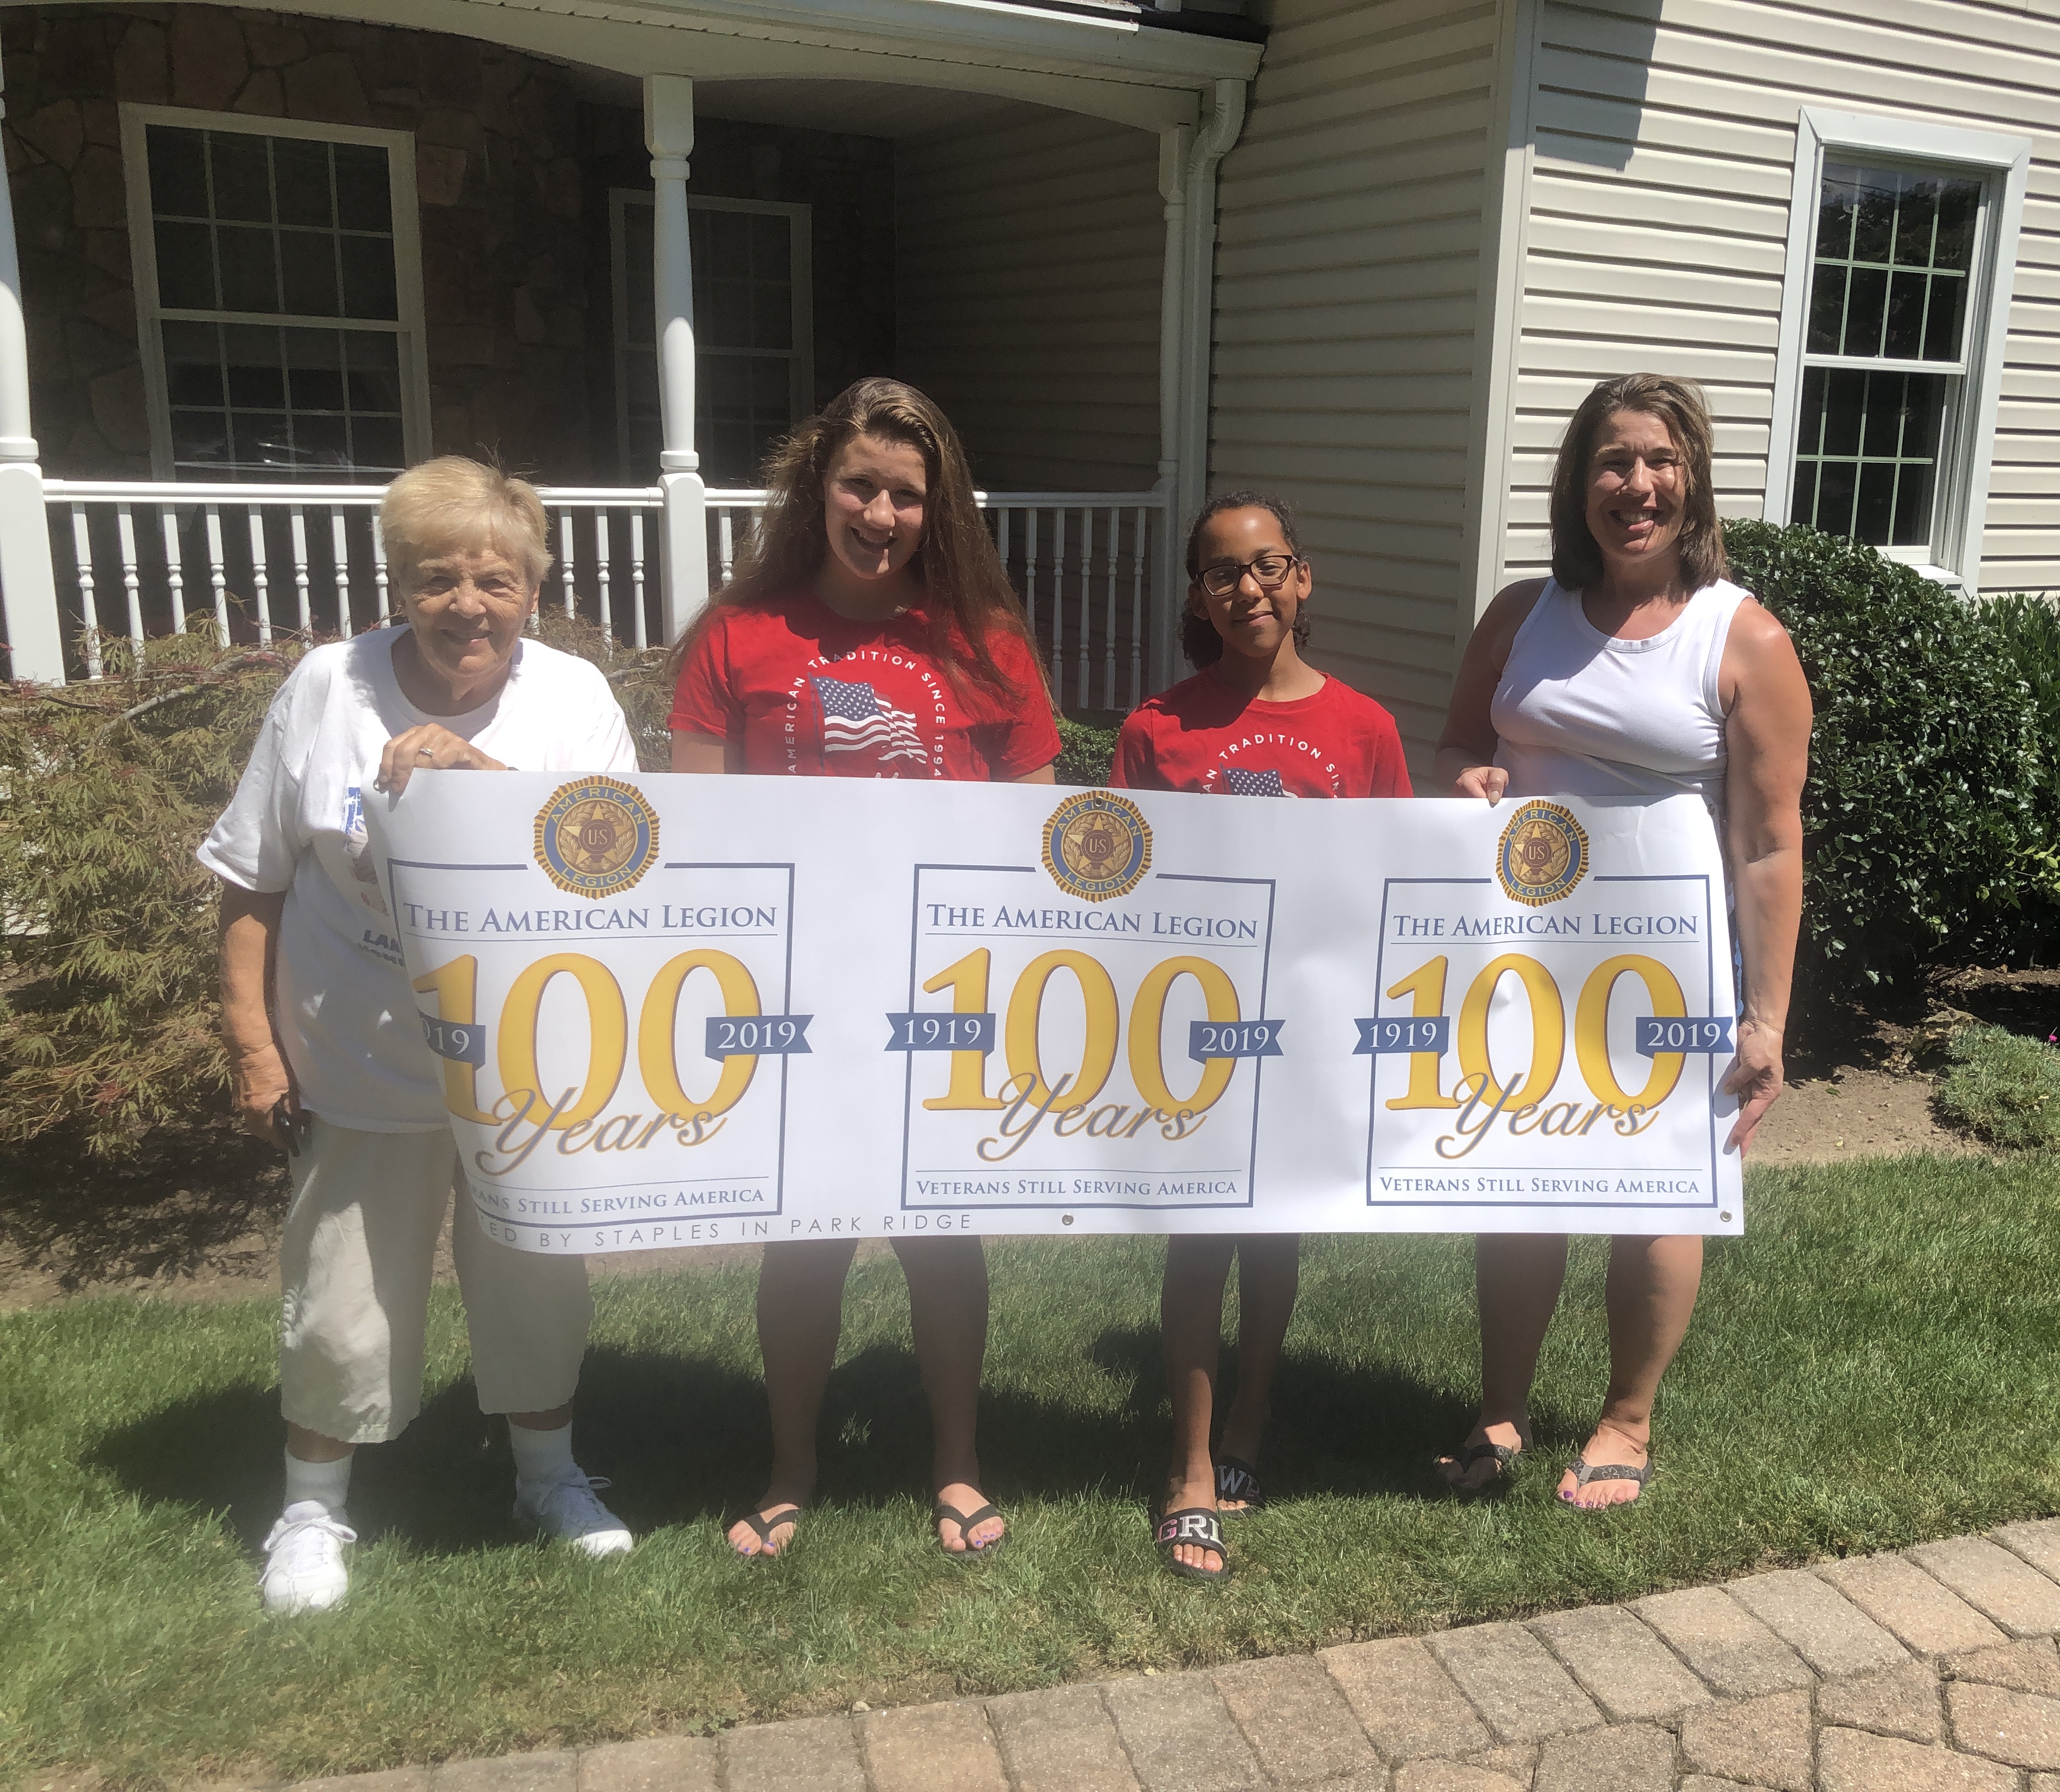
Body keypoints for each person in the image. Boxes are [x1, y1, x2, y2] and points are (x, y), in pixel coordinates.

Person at [201, 457, 644, 1614]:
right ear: (398, 585)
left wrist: (478, 774)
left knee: (537, 1281)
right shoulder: (326, 687)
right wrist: (254, 1046)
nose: (467, 606)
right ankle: (312, 1509)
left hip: (527, 1062)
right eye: (437, 578)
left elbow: (619, 869)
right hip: (358, 1053)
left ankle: (547, 1479)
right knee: (342, 1287)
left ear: (533, 589)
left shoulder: (574, 697)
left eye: (495, 580)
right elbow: (252, 878)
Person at [667, 377, 1060, 1561]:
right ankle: (791, 1466)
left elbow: (1033, 834)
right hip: (795, 993)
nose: (880, 516)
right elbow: (700, 830)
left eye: (906, 495)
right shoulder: (737, 636)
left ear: (938, 510)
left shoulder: (988, 645)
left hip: (944, 994)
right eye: (859, 486)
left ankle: (957, 1465)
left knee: (941, 1233)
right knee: (806, 1236)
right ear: (815, 488)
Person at [1429, 373, 1811, 1509]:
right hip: (1520, 947)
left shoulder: (1742, 636)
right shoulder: (1521, 615)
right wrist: (1470, 777)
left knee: (1658, 1188)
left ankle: (1626, 1421)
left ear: (1692, 480)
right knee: (1520, 1175)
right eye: (1612, 461)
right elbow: (1456, 744)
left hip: (1663, 962)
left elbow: (1770, 845)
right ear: (1578, 482)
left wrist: (1767, 1019)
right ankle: (1502, 1405)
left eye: (1659, 461)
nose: (1636, 486)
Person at [1112, 490, 1411, 1582]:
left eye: (1268, 564)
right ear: (1199, 596)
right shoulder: (1157, 728)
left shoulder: (1366, 728)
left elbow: (1392, 882)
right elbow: (1124, 891)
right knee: (1200, 1237)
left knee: (1277, 1229)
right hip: (1194, 1028)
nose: (1249, 588)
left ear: (1302, 576)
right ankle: (1190, 1467)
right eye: (1223, 572)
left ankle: (1253, 1410)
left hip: (1310, 1027)